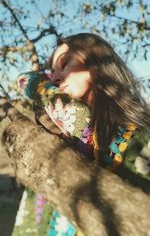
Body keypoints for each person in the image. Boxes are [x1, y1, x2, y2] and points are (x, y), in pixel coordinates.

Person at [17, 33, 150, 236]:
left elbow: (27, 80)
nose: (54, 78)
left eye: (65, 63)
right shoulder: (67, 136)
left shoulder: (136, 135)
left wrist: (41, 84)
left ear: (96, 64)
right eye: (51, 73)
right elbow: (25, 79)